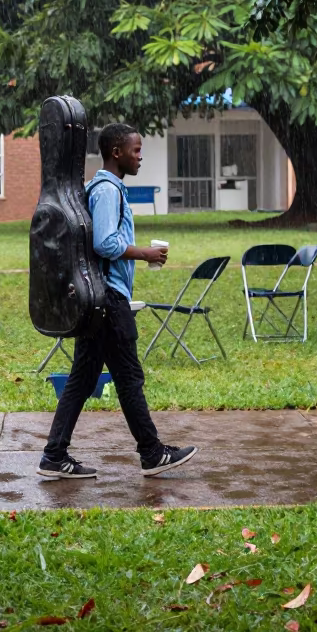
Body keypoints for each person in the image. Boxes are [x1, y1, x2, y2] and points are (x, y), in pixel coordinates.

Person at [38, 123, 198, 480]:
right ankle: (152, 453)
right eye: (136, 150)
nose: (140, 156)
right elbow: (106, 243)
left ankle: (54, 455)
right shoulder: (108, 190)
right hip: (109, 299)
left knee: (83, 379)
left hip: (101, 298)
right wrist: (145, 253)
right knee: (128, 377)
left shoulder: (105, 187)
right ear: (116, 152)